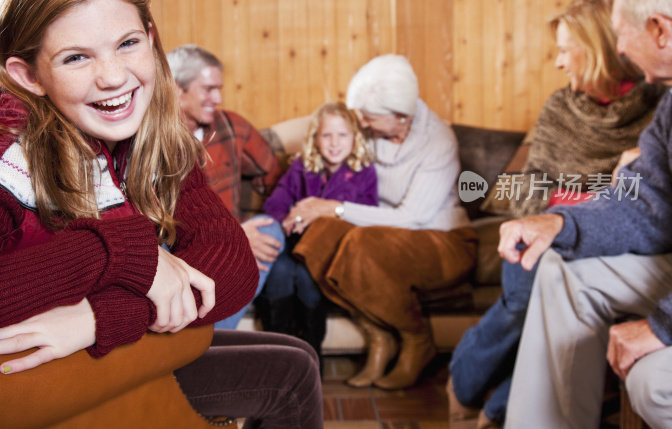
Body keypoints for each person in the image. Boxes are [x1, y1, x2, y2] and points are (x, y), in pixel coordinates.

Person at [0, 0, 322, 429]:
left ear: (151, 41)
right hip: (39, 381)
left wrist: (99, 317)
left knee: (296, 358)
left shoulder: (152, 135)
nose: (112, 77)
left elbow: (233, 269)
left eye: (127, 44)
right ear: (27, 75)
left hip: (93, 339)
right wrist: (125, 253)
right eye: (75, 58)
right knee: (288, 375)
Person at [445, 0, 661, 429]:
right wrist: (590, 196)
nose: (559, 62)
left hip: (618, 245)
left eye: (566, 49)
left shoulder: (658, 107)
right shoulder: (560, 109)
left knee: (560, 322)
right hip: (545, 234)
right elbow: (529, 191)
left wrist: (609, 192)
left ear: (597, 48)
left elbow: (648, 203)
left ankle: (499, 409)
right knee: (524, 306)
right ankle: (463, 384)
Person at [496, 0, 672, 429]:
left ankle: (484, 403)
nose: (619, 47)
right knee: (558, 269)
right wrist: (560, 223)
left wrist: (664, 326)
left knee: (653, 383)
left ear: (661, 29)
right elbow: (646, 204)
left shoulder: (655, 103)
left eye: (621, 32)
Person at [286, 54, 477, 390]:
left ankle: (417, 339)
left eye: (369, 116)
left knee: (359, 242)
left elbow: (411, 217)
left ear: (401, 117)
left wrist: (336, 208)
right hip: (380, 231)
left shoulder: (438, 141)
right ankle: (379, 336)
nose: (361, 121)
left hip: (441, 237)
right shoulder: (369, 131)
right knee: (320, 234)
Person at [166, 45, 285, 330]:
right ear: (178, 89)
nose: (218, 98)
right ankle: (199, 343)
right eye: (208, 89)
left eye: (219, 89)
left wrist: (240, 233)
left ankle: (214, 338)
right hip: (173, 247)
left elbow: (278, 182)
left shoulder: (232, 127)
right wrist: (236, 234)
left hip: (226, 246)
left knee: (270, 229)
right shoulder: (151, 134)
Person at [258, 101, 378, 366]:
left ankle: (312, 353)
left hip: (328, 249)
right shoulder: (302, 166)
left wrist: (322, 215)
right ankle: (279, 355)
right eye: (327, 135)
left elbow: (368, 214)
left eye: (342, 135)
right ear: (316, 138)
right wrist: (289, 218)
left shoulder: (363, 172)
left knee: (307, 277)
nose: (334, 143)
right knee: (280, 271)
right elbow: (275, 203)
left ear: (354, 138)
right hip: (294, 242)